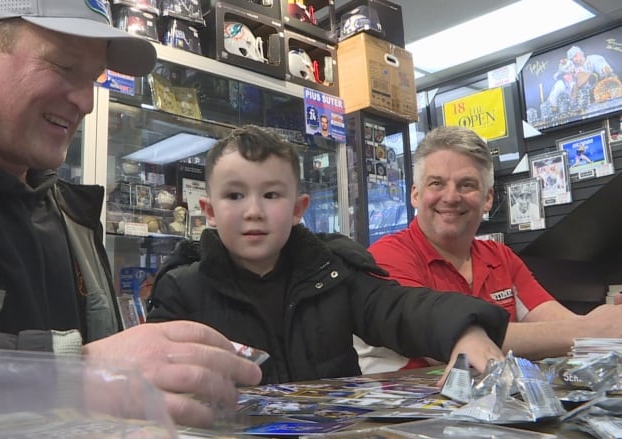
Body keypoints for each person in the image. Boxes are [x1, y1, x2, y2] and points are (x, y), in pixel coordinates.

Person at [0, 0, 260, 427]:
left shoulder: (66, 211)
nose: (86, 102)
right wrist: (73, 374)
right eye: (64, 67)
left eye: (93, 78)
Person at [147, 125, 510, 386]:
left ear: (298, 208)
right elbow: (159, 383)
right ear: (208, 210)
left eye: (271, 195)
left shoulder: (334, 271)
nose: (253, 211)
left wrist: (465, 330)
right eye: (235, 196)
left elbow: (399, 308)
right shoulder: (181, 289)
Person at [357, 125, 622, 373]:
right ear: (415, 194)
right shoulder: (387, 257)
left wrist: (608, 325)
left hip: (494, 410)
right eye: (436, 183)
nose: (450, 197)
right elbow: (446, 345)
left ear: (488, 199)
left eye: (467, 185)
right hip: (411, 417)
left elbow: (561, 323)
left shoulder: (500, 257)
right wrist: (591, 330)